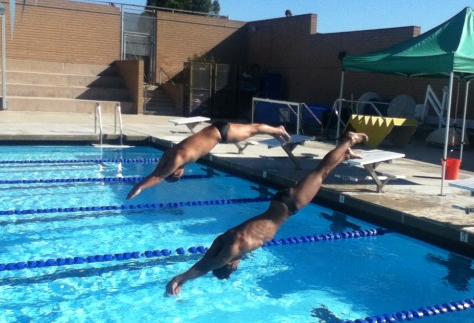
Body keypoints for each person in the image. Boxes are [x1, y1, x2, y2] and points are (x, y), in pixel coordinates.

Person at [165, 131, 369, 295]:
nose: (237, 266)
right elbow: (206, 259)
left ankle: (349, 140)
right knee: (320, 175)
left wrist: (180, 278)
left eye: (233, 267)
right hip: (279, 203)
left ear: (228, 264)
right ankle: (344, 155)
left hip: (291, 205)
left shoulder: (233, 249)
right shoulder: (224, 240)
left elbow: (206, 266)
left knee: (320, 172)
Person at [126, 122, 291, 199]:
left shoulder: (177, 159)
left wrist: (140, 187)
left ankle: (278, 129)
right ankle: (277, 131)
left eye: (179, 174)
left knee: (255, 129)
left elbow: (159, 176)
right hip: (215, 129)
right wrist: (140, 184)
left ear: (175, 172)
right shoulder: (169, 154)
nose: (183, 172)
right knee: (254, 128)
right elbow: (157, 172)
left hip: (222, 134)